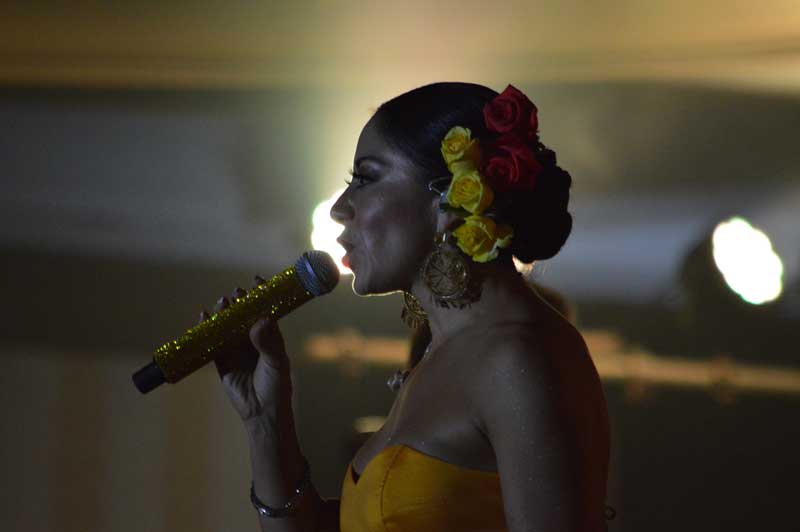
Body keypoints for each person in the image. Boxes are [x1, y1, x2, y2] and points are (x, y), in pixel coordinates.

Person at [201, 82, 611, 532]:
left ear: (449, 197)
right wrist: (266, 421)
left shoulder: (518, 357)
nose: (340, 208)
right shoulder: (439, 357)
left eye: (366, 177)